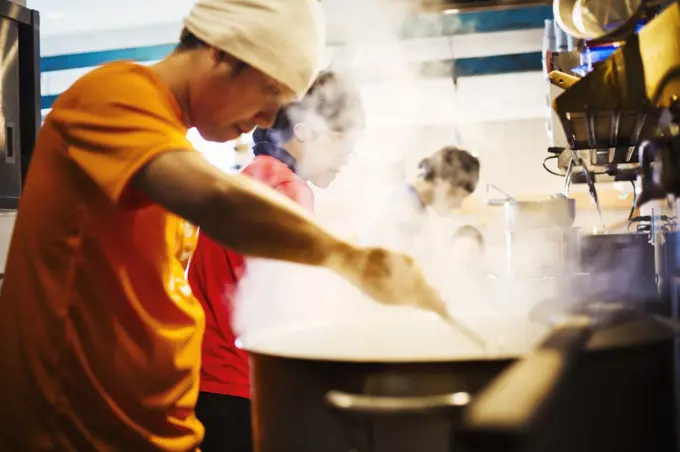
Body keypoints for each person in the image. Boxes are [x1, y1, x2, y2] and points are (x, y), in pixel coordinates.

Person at [0, 1, 446, 450]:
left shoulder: (168, 138)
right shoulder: (114, 95)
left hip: (158, 430)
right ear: (219, 51)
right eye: (269, 92)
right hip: (77, 436)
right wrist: (351, 260)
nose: (270, 121)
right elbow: (219, 202)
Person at [187, 71, 363, 452]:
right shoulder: (286, 188)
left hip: (211, 384)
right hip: (246, 388)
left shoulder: (253, 178)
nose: (347, 156)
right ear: (304, 131)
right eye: (341, 140)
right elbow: (297, 306)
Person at [364, 146, 481, 254]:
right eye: (460, 196)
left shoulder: (417, 210)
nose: (459, 205)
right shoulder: (397, 205)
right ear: (445, 184)